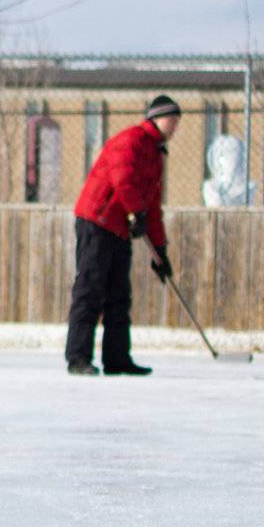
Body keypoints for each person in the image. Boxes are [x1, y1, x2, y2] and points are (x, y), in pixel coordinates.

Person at [64, 94, 180, 377]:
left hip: (121, 225)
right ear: (155, 118)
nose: (175, 126)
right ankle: (78, 358)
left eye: (177, 122)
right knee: (90, 289)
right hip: (97, 219)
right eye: (171, 120)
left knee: (119, 294)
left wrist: (160, 250)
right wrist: (136, 212)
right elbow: (122, 179)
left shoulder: (155, 153)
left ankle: (116, 358)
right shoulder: (131, 140)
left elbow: (152, 206)